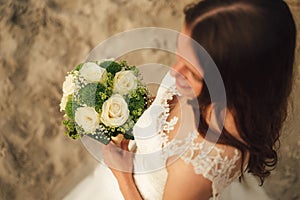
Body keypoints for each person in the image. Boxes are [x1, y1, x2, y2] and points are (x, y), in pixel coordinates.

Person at [103, 0, 296, 199]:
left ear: (234, 85)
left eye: (193, 73)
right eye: (178, 55)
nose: (175, 71)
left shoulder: (194, 166)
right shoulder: (207, 75)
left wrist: (122, 175)